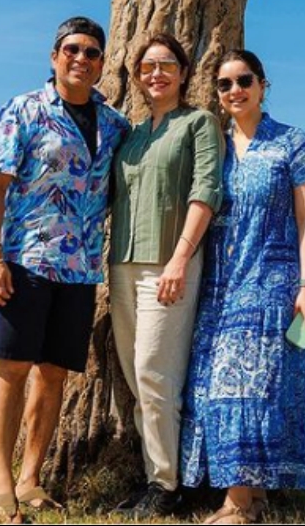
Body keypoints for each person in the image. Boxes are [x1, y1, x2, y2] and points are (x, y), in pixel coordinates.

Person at [0, 16, 129, 524]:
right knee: (13, 369)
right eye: (72, 49)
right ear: (54, 56)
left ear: (102, 63)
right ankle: (2, 485)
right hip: (25, 261)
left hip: (82, 269)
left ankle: (30, 478)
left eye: (91, 52)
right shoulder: (23, 110)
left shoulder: (115, 125)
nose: (81, 59)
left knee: (53, 375)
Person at [180, 49, 305, 525]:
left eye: (243, 80)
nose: (234, 90)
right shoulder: (214, 149)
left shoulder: (293, 144)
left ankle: (236, 504)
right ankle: (256, 495)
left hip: (271, 281)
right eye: (224, 84)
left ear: (263, 84)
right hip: (219, 287)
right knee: (215, 390)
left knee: (247, 388)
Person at [108, 34, 223, 517]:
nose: (157, 73)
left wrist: (179, 259)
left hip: (169, 264)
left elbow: (207, 192)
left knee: (156, 374)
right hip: (121, 265)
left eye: (167, 64)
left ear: (182, 72)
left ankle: (168, 488)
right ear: (136, 75)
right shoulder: (131, 134)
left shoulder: (198, 124)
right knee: (137, 379)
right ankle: (155, 476)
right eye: (148, 66)